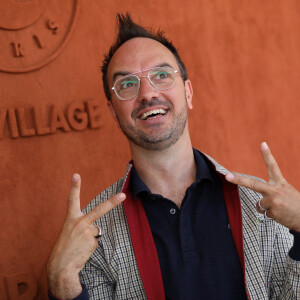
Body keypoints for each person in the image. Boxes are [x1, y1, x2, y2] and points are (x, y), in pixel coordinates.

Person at [47, 13, 300, 300]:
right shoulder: (95, 234)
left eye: (162, 75)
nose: (147, 93)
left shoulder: (263, 206)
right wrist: (62, 280)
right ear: (113, 114)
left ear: (188, 93)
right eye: (127, 84)